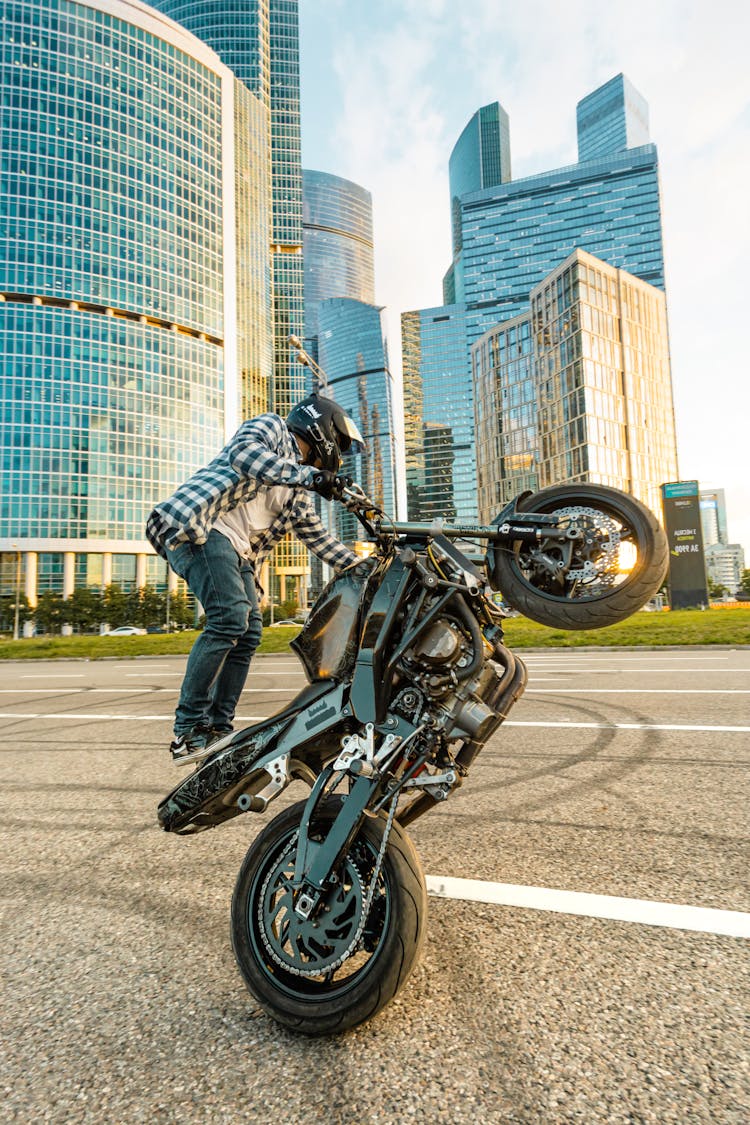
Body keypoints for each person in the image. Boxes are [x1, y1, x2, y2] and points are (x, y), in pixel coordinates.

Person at [146, 395, 364, 764]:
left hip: (238, 551)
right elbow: (245, 456)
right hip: (200, 527)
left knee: (248, 631)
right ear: (323, 429)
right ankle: (187, 731)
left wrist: (364, 566)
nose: (337, 454)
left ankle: (217, 727)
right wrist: (312, 475)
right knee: (229, 617)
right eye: (338, 444)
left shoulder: (296, 492)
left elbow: (318, 538)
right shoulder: (271, 427)